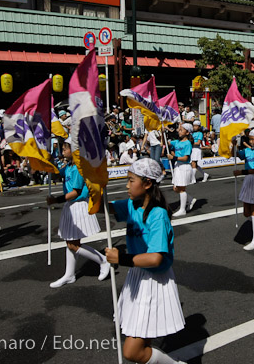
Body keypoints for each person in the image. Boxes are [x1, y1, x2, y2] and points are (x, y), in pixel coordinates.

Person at [106, 158, 186, 364]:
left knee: (132, 352)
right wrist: (95, 187)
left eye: (131, 180)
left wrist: (120, 258)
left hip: (154, 280)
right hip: (138, 275)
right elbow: (103, 209)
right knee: (142, 341)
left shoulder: (158, 214)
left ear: (148, 183)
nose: (127, 185)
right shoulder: (133, 205)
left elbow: (155, 258)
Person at [46, 138, 109, 288]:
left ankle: (102, 260)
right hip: (71, 206)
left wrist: (56, 200)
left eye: (65, 149)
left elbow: (76, 192)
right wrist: (47, 163)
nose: (62, 151)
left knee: (73, 244)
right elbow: (56, 172)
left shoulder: (79, 168)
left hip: (78, 205)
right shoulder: (69, 166)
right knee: (70, 242)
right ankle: (70, 274)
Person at [168, 124, 197, 217]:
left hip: (184, 167)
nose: (179, 131)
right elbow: (167, 142)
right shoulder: (177, 142)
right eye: (179, 130)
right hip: (177, 166)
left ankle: (182, 209)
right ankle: (191, 199)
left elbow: (185, 158)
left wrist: (174, 157)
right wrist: (162, 131)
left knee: (181, 189)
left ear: (187, 132)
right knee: (176, 188)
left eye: (181, 130)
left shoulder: (188, 143)